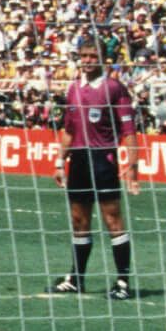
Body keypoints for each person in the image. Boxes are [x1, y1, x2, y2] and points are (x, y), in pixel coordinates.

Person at [52, 40, 139, 300]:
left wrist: (132, 168)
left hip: (103, 159)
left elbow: (129, 132)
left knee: (113, 220)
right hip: (78, 160)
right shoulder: (73, 89)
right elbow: (69, 130)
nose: (88, 60)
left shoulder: (115, 88)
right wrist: (60, 162)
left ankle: (122, 281)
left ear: (104, 59)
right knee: (79, 221)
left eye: (93, 56)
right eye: (84, 56)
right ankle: (76, 279)